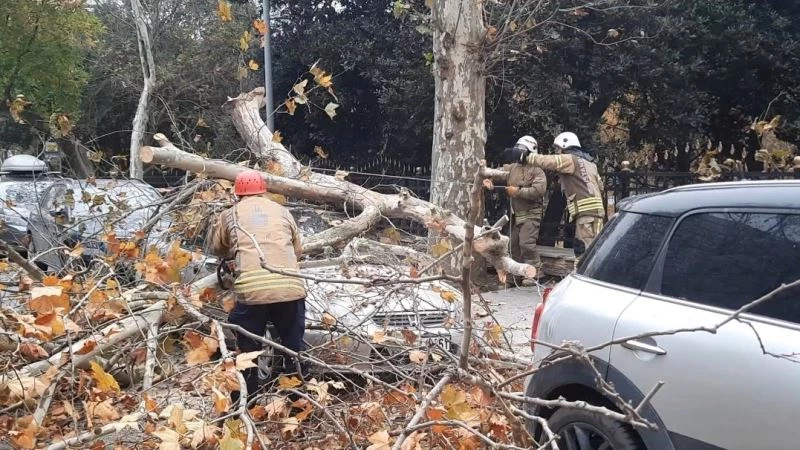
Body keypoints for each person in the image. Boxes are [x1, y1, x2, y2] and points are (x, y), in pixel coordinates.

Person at [210, 170, 306, 402]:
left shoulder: (230, 215)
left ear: (237, 194)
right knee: (293, 348)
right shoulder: (283, 211)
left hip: (252, 293)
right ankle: (298, 401)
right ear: (264, 191)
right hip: (290, 289)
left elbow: (217, 248)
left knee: (248, 352)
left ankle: (246, 403)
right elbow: (298, 250)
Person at [505, 132, 604, 258]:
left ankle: (581, 276)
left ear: (565, 145)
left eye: (558, 148)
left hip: (586, 215)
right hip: (596, 213)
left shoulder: (569, 158)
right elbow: (600, 187)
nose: (557, 152)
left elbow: (548, 161)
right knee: (595, 250)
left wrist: (524, 156)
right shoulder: (590, 164)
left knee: (583, 251)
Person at [484, 136, 547, 284]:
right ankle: (518, 273)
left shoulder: (537, 171)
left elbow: (538, 191)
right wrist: (489, 179)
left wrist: (517, 191)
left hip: (531, 215)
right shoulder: (513, 167)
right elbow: (498, 173)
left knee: (526, 244)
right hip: (516, 215)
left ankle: (535, 272)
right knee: (512, 245)